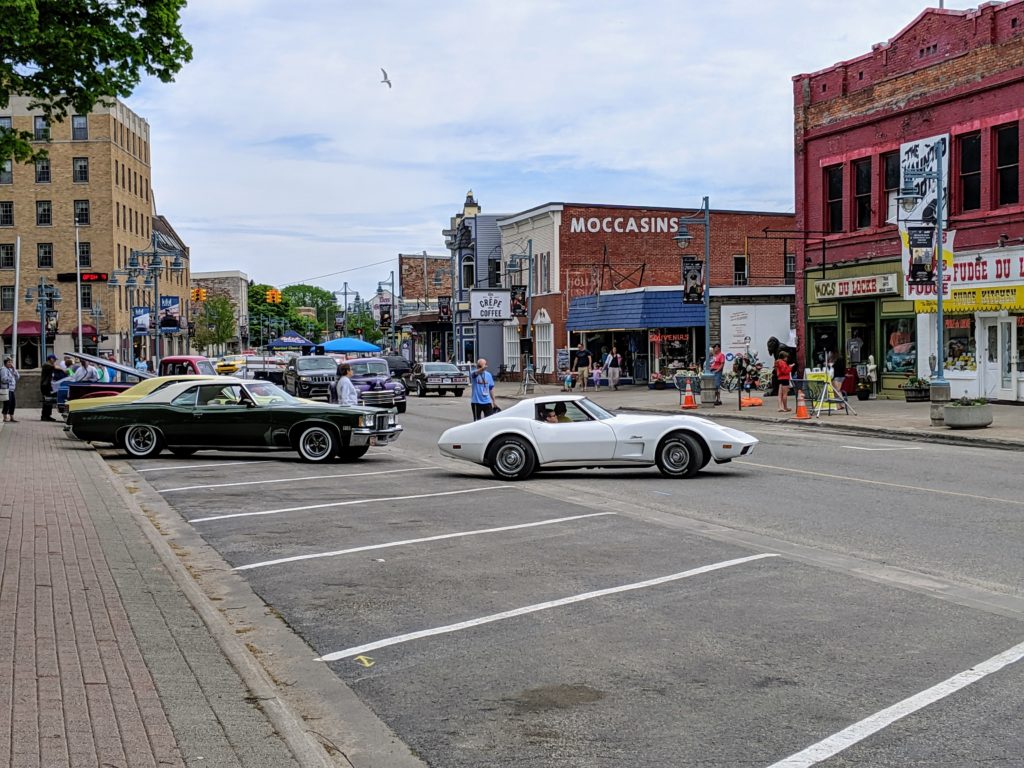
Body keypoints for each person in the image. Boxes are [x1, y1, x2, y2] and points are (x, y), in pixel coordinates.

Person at [1, 357, 20, 422]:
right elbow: (3, 379)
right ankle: (5, 417)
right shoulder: (3, 369)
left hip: (12, 389)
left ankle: (12, 417)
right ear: (5, 363)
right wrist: (11, 375)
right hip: (6, 389)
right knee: (7, 403)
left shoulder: (11, 369)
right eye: (9, 362)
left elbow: (17, 377)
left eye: (11, 362)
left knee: (13, 404)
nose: (10, 363)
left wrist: (14, 369)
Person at [40, 354, 58, 421]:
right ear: (51, 359)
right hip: (45, 385)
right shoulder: (46, 365)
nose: (55, 361)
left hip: (48, 385)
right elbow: (55, 367)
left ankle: (47, 415)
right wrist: (63, 369)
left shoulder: (49, 365)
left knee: (49, 401)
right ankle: (44, 416)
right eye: (54, 359)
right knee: (47, 401)